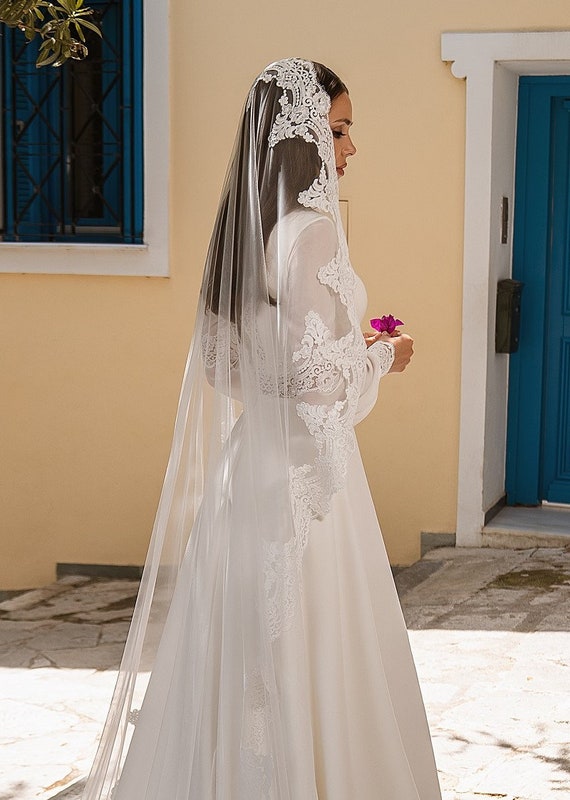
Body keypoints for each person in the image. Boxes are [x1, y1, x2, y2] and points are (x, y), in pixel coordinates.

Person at [82, 58, 441, 800]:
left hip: (248, 477)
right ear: (303, 139)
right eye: (339, 130)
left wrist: (329, 364)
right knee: (309, 664)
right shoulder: (311, 236)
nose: (351, 149)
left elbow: (227, 371)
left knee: (242, 666)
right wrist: (378, 356)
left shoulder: (244, 237)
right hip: (303, 492)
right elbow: (316, 394)